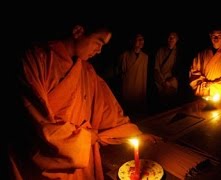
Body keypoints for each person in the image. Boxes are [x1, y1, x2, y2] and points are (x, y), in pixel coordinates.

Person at [7, 21, 160, 180]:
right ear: (78, 31)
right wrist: (84, 139)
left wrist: (133, 134)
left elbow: (108, 110)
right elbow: (35, 125)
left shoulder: (87, 71)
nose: (99, 50)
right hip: (47, 165)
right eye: (98, 41)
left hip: (81, 160)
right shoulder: (34, 61)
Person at [189, 26, 221, 105]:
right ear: (210, 36)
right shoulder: (201, 54)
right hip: (203, 92)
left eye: (219, 36)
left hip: (218, 95)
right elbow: (193, 71)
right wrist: (203, 83)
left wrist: (212, 85)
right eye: (213, 36)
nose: (216, 38)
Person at [117, 33, 149, 118]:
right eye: (138, 39)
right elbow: (120, 73)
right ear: (132, 41)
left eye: (142, 39)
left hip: (140, 90)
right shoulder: (125, 55)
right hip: (128, 89)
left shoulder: (145, 57)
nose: (141, 41)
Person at [153, 31, 182, 109]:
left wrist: (173, 80)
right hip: (160, 81)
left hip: (172, 81)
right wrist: (162, 82)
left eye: (173, 37)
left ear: (177, 39)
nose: (171, 39)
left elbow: (180, 69)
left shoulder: (178, 52)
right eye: (169, 37)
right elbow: (156, 69)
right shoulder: (160, 51)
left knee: (172, 105)